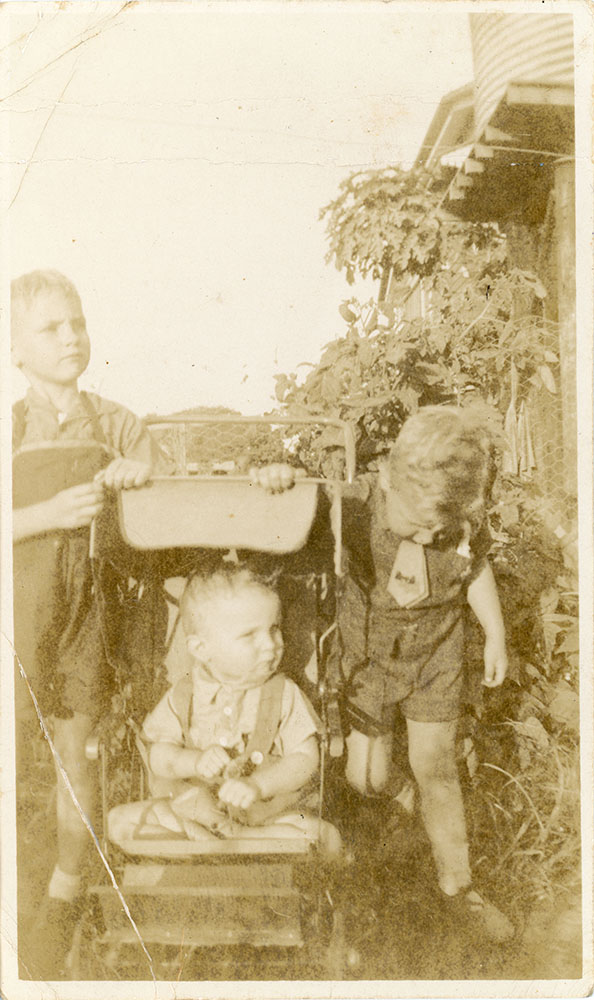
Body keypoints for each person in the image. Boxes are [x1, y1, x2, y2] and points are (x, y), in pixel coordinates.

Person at [256, 406, 514, 942]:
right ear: (388, 479)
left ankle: (457, 885)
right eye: (419, 524)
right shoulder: (351, 505)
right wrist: (276, 478)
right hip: (368, 663)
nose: (428, 536)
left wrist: (494, 633)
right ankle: (413, 804)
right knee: (365, 777)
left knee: (435, 763)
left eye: (440, 528)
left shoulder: (453, 519)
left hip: (436, 658)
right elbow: (290, 502)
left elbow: (476, 570)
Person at [11, 269, 175, 978]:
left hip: (86, 616)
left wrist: (140, 478)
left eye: (76, 322)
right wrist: (43, 516)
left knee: (76, 758)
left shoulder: (118, 424)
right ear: (14, 347)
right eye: (50, 328)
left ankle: (66, 889)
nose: (71, 337)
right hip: (15, 608)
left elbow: (169, 506)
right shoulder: (9, 426)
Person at [108, 566, 341, 855]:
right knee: (118, 822)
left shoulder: (282, 693)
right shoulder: (183, 695)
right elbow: (159, 756)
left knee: (321, 835)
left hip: (266, 815)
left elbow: (305, 759)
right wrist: (193, 762)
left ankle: (221, 844)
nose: (271, 645)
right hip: (197, 811)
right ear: (202, 649)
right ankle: (223, 842)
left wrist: (258, 785)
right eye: (249, 636)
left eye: (274, 629)